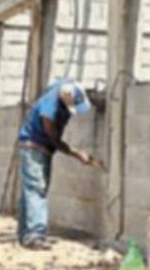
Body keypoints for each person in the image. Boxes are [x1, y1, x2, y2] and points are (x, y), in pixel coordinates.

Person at [16, 78, 99, 249]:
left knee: (32, 190)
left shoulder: (66, 87)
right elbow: (54, 139)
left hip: (39, 148)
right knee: (37, 189)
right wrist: (77, 153)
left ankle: (25, 234)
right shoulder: (50, 108)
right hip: (34, 147)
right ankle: (35, 235)